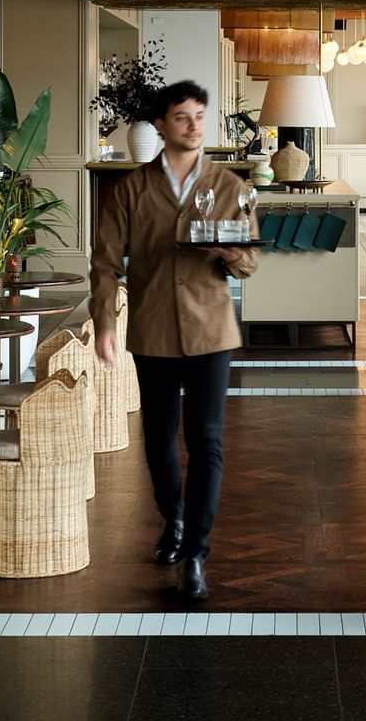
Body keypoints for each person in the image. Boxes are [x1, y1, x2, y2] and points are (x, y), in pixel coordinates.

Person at [91, 79, 258, 599]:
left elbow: (249, 263)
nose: (194, 125)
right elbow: (103, 263)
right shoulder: (131, 190)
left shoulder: (230, 186)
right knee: (159, 439)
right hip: (155, 329)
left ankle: (195, 553)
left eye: (199, 116)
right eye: (182, 117)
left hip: (211, 331)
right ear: (161, 125)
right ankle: (175, 519)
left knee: (206, 441)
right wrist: (105, 323)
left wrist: (229, 255)